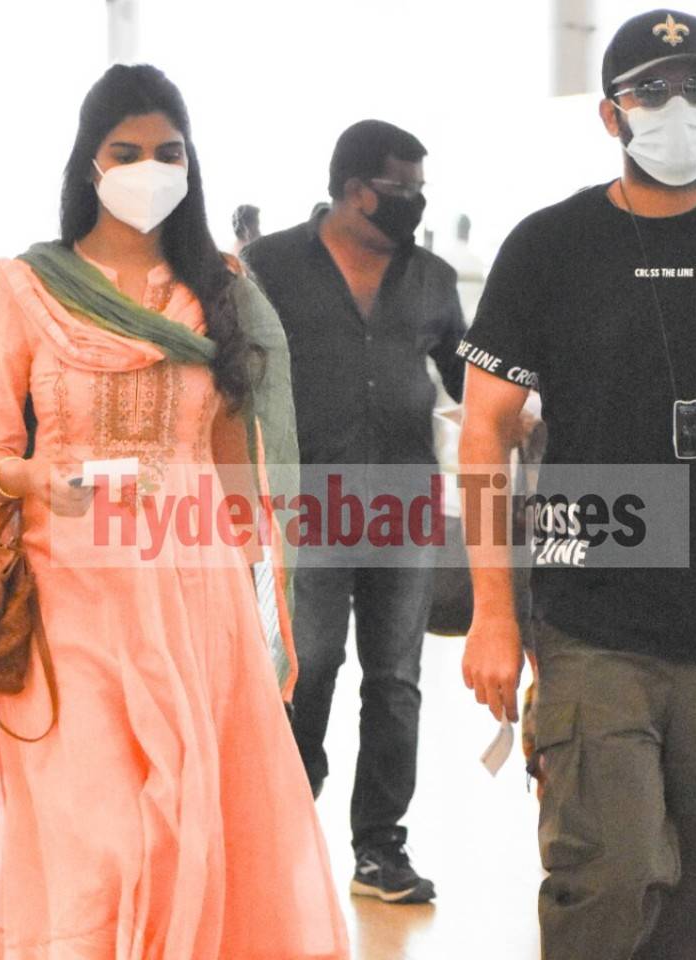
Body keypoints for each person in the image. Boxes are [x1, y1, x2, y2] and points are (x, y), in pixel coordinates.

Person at [0, 64, 348, 960]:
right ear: (89, 164)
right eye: (126, 153)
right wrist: (38, 481)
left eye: (167, 153)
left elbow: (241, 475)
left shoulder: (219, 291)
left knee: (186, 821)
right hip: (68, 598)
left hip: (196, 603)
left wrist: (268, 614)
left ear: (191, 166)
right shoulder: (28, 290)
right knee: (103, 839)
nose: (147, 169)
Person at [456, 10, 696, 958]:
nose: (679, 112)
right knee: (611, 871)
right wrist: (494, 613)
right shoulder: (547, 248)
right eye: (651, 93)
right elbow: (484, 431)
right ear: (610, 115)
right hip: (592, 620)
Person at [242, 119, 466, 904]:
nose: (416, 198)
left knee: (396, 680)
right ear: (353, 189)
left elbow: (470, 380)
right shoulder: (268, 266)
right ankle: (284, 820)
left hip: (406, 506)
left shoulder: (434, 279)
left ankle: (380, 849)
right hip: (306, 506)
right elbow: (232, 378)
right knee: (306, 667)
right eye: (402, 184)